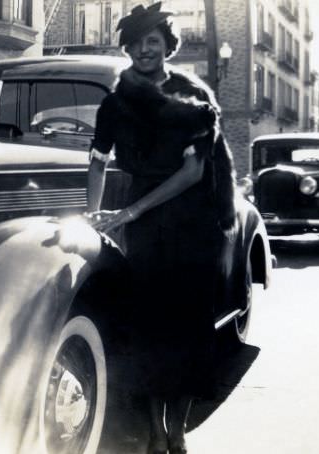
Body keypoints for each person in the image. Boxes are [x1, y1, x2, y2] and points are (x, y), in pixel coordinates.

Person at [86, 3, 237, 454]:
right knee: (150, 330)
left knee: (189, 331)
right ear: (128, 48)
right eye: (135, 42)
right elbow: (97, 161)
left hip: (193, 224)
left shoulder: (192, 96)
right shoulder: (114, 103)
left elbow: (193, 173)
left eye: (153, 41)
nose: (144, 49)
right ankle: (155, 432)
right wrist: (93, 214)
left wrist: (128, 214)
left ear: (168, 45)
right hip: (148, 230)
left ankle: (178, 430)